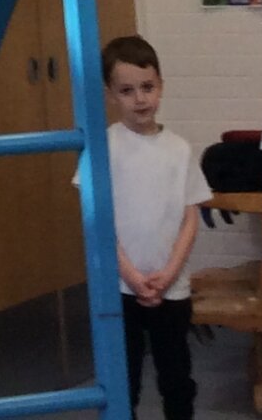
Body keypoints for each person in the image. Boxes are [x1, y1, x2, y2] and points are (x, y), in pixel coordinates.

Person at [104, 35, 212, 420]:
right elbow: (97, 221)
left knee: (176, 375)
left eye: (147, 87)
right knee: (124, 378)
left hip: (171, 285)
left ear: (161, 86)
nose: (140, 99)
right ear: (111, 94)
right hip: (121, 286)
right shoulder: (104, 147)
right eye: (127, 90)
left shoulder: (179, 149)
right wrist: (131, 275)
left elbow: (190, 217)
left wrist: (168, 274)